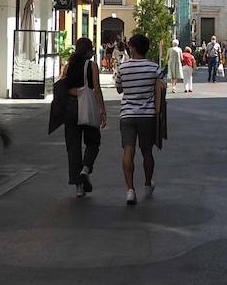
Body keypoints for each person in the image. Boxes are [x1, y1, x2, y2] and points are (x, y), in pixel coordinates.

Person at [48, 37, 105, 198]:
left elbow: (62, 85)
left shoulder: (68, 66)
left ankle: (78, 187)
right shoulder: (92, 65)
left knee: (73, 146)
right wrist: (102, 110)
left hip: (70, 107)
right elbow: (97, 89)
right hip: (86, 106)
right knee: (93, 140)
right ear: (88, 50)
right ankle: (85, 169)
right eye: (92, 48)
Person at [114, 33, 164, 205]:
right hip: (147, 115)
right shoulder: (154, 68)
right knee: (147, 152)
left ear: (133, 48)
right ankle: (148, 183)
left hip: (127, 115)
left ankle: (130, 190)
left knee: (128, 151)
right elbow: (161, 87)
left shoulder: (123, 68)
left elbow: (119, 89)